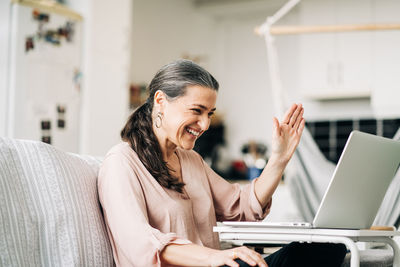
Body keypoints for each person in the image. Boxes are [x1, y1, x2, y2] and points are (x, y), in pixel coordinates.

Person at [98, 59, 346, 267]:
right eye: (197, 110)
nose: (205, 125)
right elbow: (141, 243)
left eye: (209, 114)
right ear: (161, 101)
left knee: (325, 249)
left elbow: (242, 207)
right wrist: (215, 256)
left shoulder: (191, 161)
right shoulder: (121, 163)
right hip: (213, 263)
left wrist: (279, 159)